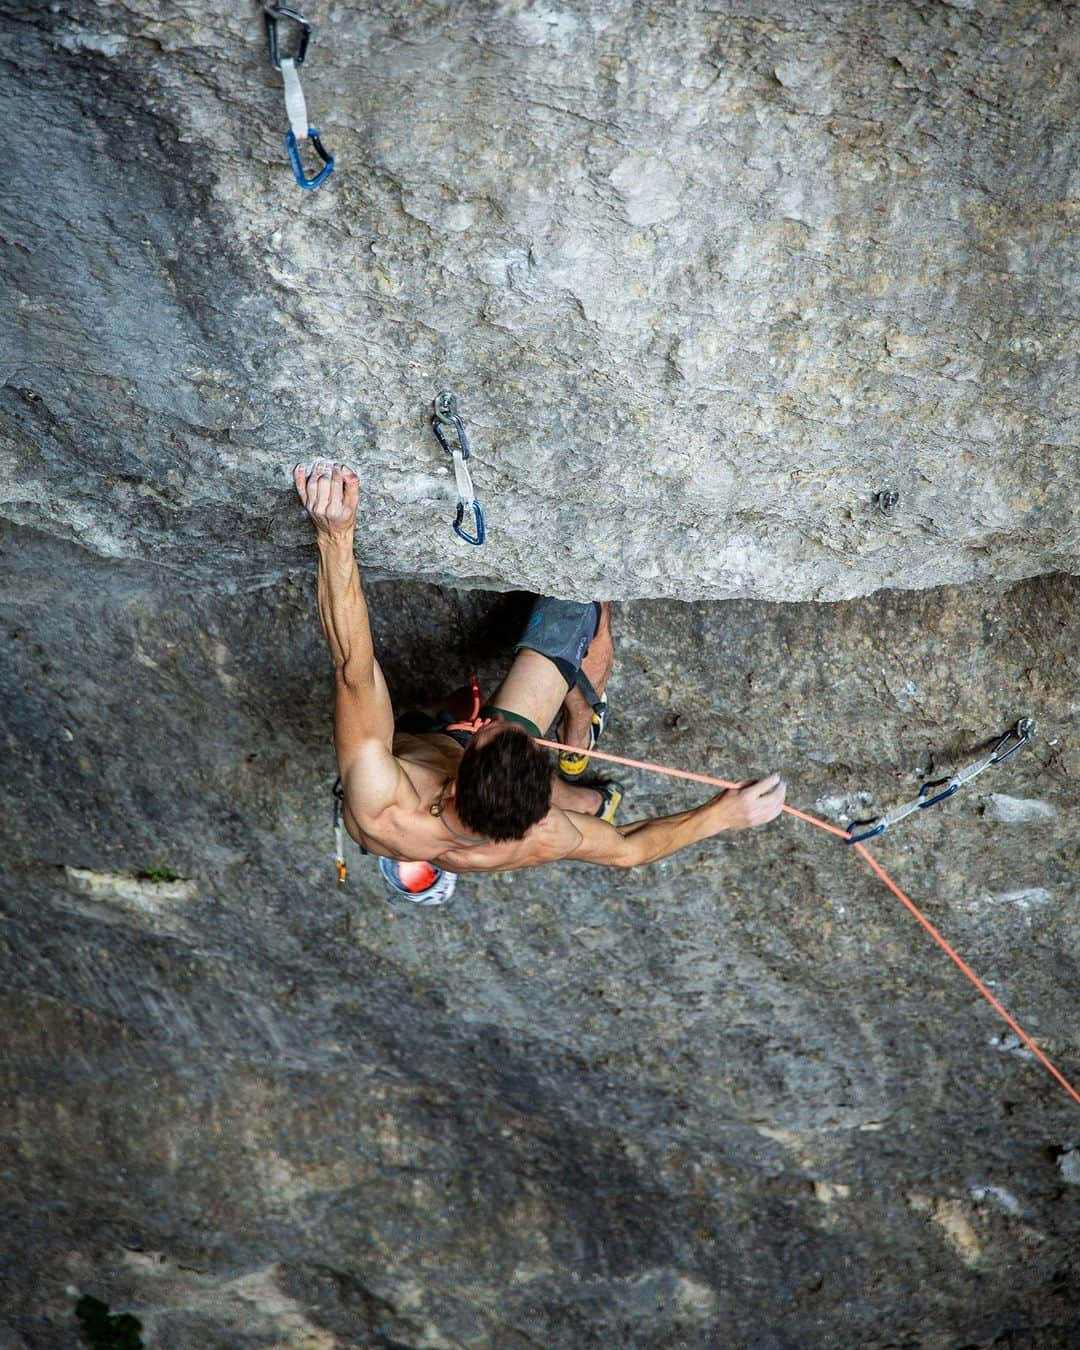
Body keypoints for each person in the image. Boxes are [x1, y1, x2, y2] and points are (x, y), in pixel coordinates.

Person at [296, 459, 786, 883]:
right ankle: (580, 757)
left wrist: (334, 534)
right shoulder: (538, 835)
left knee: (426, 708)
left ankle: (573, 765)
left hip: (419, 748)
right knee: (577, 605)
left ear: (456, 778)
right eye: (494, 726)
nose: (487, 718)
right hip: (465, 778)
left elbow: (352, 668)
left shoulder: (384, 801)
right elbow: (627, 850)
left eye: (487, 726)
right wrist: (722, 815)